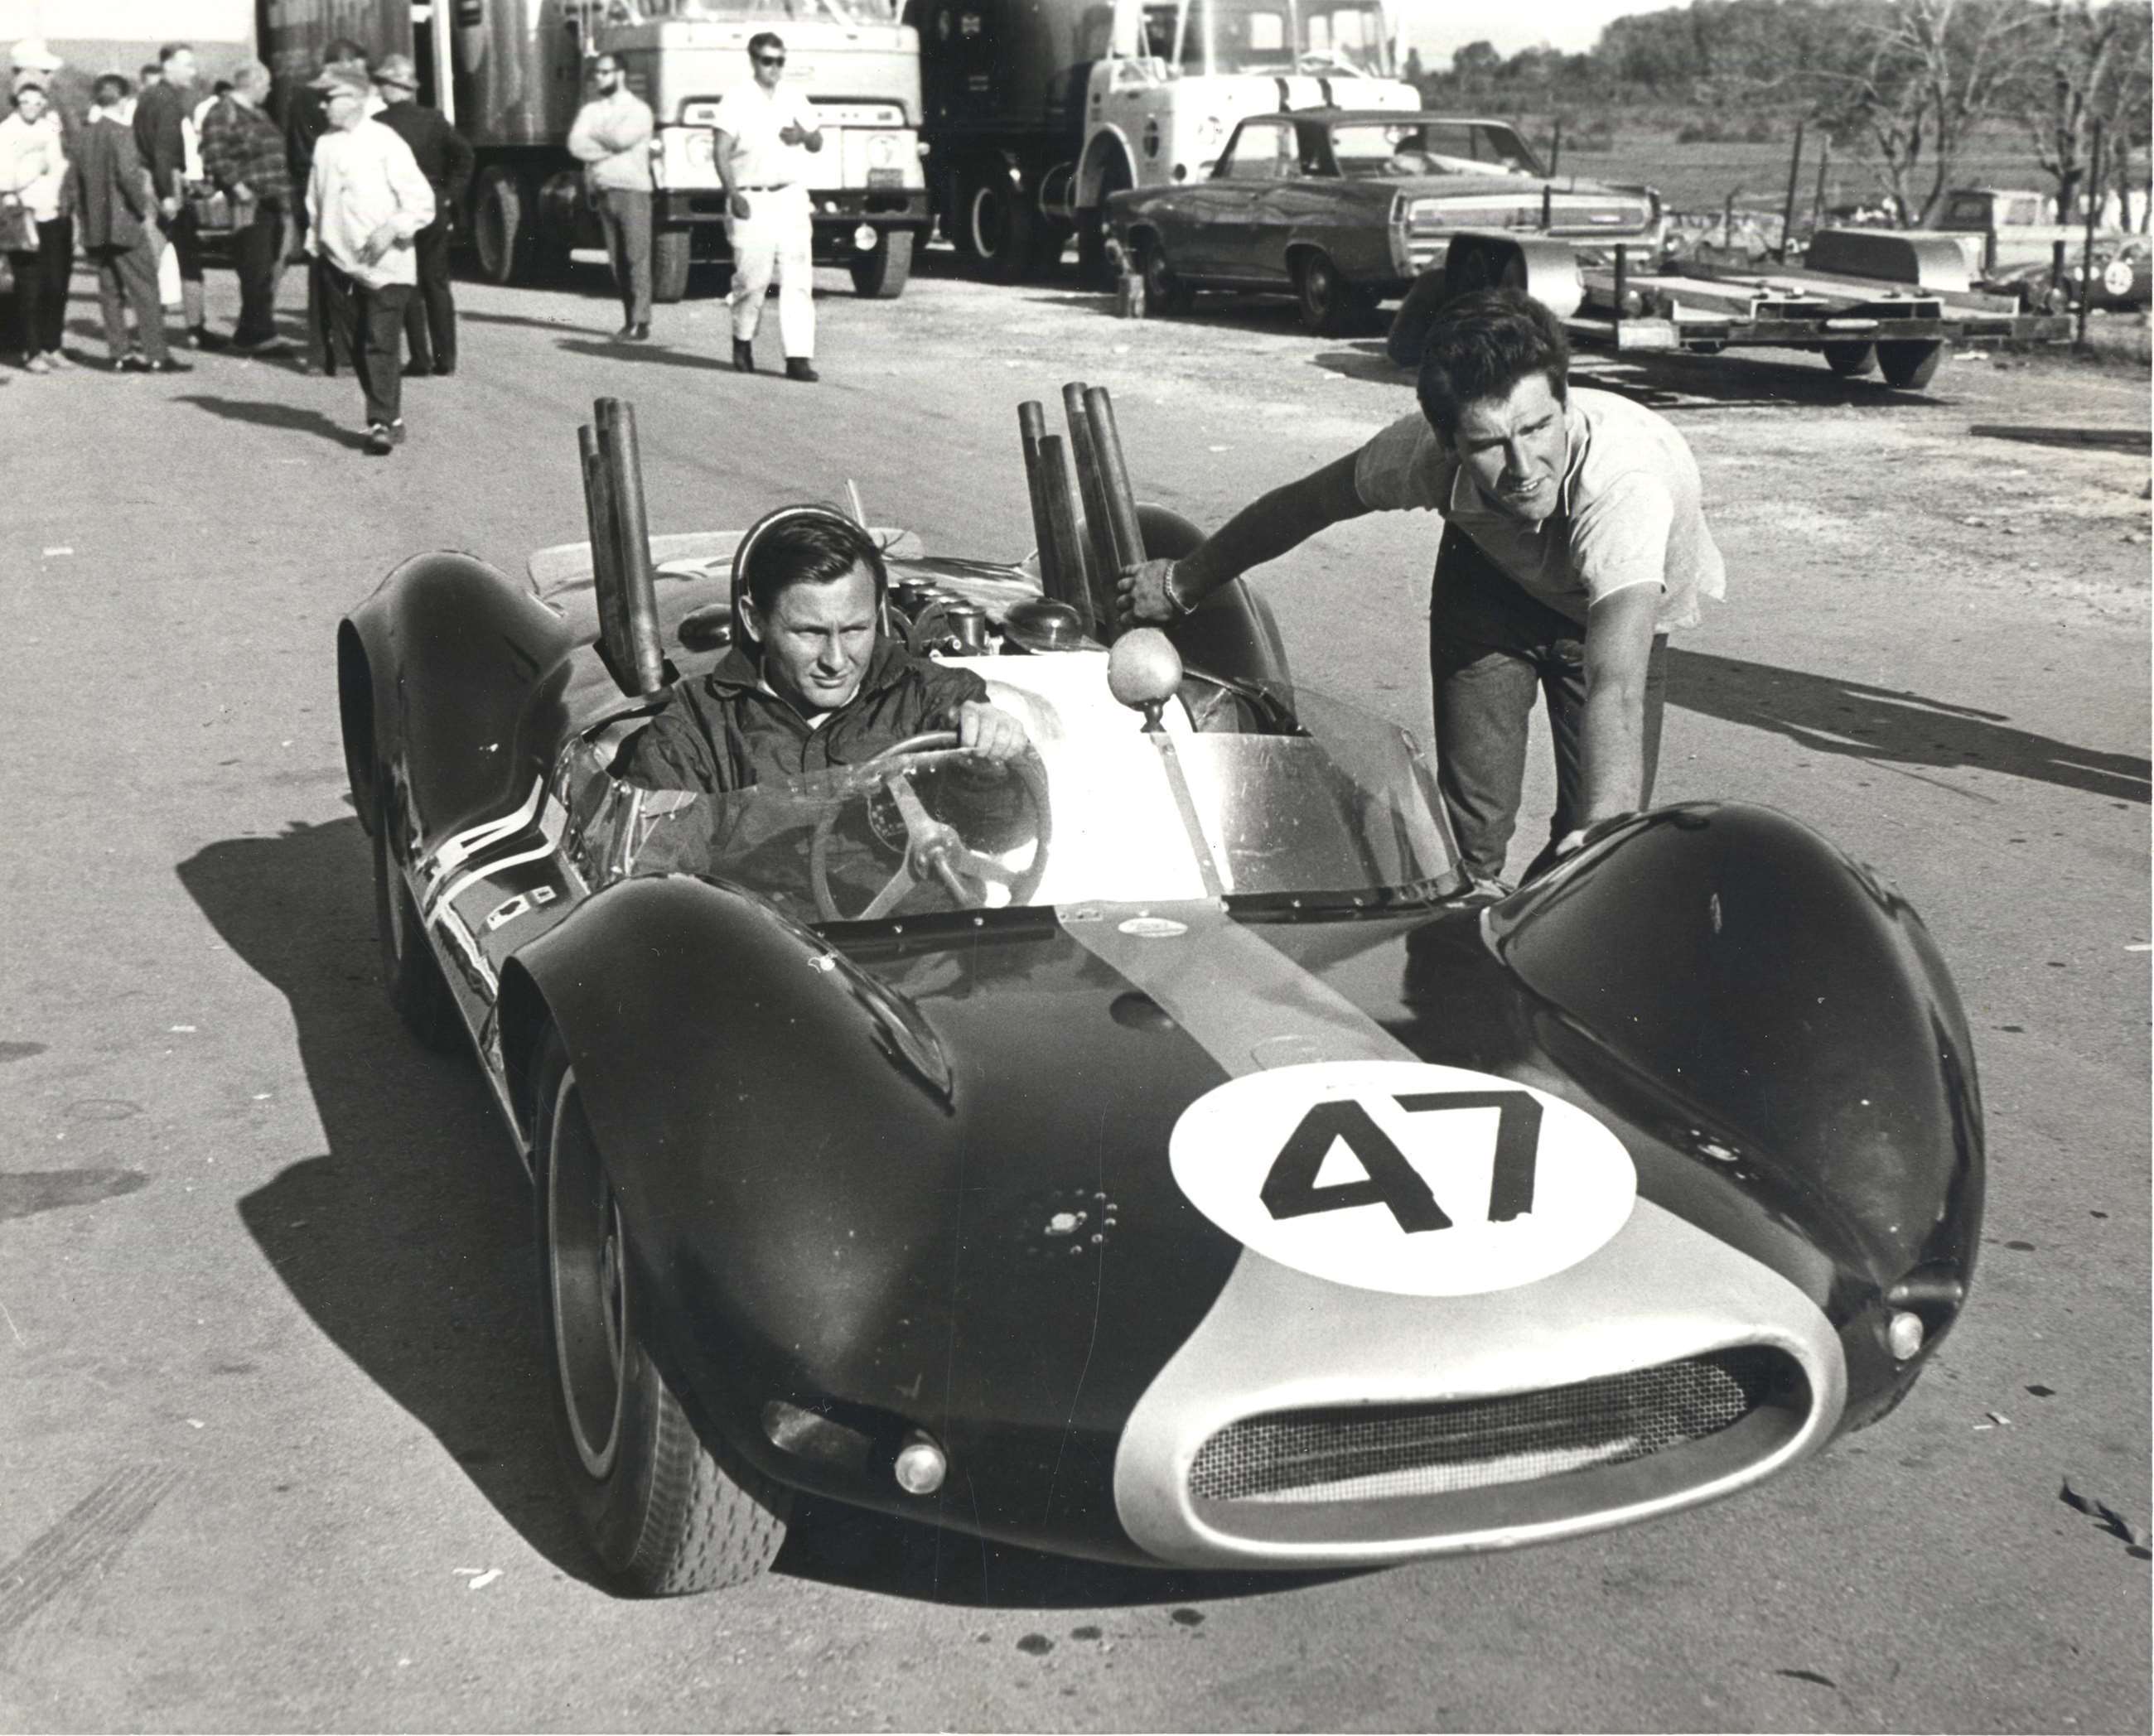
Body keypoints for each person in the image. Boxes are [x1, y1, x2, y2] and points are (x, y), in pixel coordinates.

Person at [1118, 288, 1726, 897]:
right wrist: (1181, 582)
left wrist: (1603, 829)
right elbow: (1308, 504)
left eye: (1538, 428)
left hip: (1613, 618)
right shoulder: (1417, 454)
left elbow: (1616, 686)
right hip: (1491, 584)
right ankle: (1455, 949)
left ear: (1564, 404)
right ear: (1448, 443)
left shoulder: (1625, 485)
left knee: (1595, 846)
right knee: (1470, 834)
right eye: (1488, 445)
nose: (1523, 468)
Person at [618, 509, 1028, 793]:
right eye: (810, 633)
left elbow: (1005, 835)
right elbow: (660, 874)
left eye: (854, 630)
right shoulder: (698, 726)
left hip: (920, 916)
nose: (835, 660)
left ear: (876, 614)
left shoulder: (936, 699)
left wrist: (987, 767)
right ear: (754, 620)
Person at [306, 69, 433, 455]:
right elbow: (316, 200)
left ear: (357, 99)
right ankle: (390, 417)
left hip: (387, 262)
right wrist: (316, 244)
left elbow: (421, 201)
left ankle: (379, 420)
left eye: (331, 97)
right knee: (354, 343)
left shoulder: (385, 142)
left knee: (380, 340)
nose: (323, 105)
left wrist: (392, 229)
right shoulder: (325, 144)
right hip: (338, 261)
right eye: (322, 98)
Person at [712, 33, 821, 380]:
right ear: (753, 60)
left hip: (789, 196)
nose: (774, 68)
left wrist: (803, 136)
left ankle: (798, 357)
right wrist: (733, 194)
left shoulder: (793, 97)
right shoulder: (736, 99)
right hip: (751, 197)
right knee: (752, 279)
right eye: (767, 60)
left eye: (780, 61)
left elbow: (817, 141)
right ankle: (743, 339)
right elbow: (720, 150)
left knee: (798, 279)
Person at [370, 53, 471, 376]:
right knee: (437, 282)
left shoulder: (378, 126)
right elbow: (465, 156)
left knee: (409, 283)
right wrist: (449, 196)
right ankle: (447, 358)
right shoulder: (434, 119)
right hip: (433, 203)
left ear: (390, 87)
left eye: (382, 84)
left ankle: (420, 358)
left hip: (397, 208)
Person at [77, 74, 181, 372]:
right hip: (125, 224)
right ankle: (157, 355)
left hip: (97, 227)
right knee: (145, 289)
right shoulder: (122, 134)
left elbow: (77, 184)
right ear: (123, 100)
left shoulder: (84, 136)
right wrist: (143, 209)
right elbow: (128, 176)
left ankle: (119, 355)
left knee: (109, 291)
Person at [286, 36, 370, 374]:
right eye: (358, 67)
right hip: (336, 188)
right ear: (345, 64)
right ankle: (347, 356)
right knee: (346, 273)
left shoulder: (298, 95)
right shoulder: (334, 99)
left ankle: (317, 356)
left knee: (319, 273)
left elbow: (295, 147)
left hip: (308, 187)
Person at [199, 60, 291, 353]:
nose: (269, 91)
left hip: (271, 199)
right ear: (253, 84)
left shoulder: (257, 112)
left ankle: (250, 331)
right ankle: (259, 335)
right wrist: (238, 187)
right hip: (248, 202)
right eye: (266, 85)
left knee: (266, 266)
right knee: (255, 267)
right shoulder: (222, 113)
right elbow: (215, 154)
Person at [133, 42, 221, 350]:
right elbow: (164, 152)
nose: (193, 71)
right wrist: (169, 195)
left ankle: (150, 333)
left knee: (151, 262)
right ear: (168, 66)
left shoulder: (147, 97)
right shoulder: (169, 102)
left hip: (147, 183)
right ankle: (192, 330)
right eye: (187, 64)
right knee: (188, 258)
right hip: (165, 184)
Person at [566, 52, 654, 342]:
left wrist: (598, 138)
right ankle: (629, 318)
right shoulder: (592, 109)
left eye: (605, 72)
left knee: (635, 257)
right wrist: (608, 145)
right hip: (604, 190)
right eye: (596, 73)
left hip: (633, 191)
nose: (599, 78)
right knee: (616, 260)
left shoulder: (639, 110)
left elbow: (623, 139)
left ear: (620, 74)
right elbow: (576, 145)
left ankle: (641, 322)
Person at [0, 75, 71, 372]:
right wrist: (32, 170)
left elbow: (65, 147)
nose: (32, 106)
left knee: (56, 283)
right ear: (16, 101)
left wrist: (57, 119)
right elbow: (6, 176)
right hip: (23, 213)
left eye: (38, 100)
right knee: (30, 286)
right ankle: (31, 351)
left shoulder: (49, 126)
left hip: (52, 211)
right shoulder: (6, 130)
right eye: (26, 100)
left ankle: (52, 345)